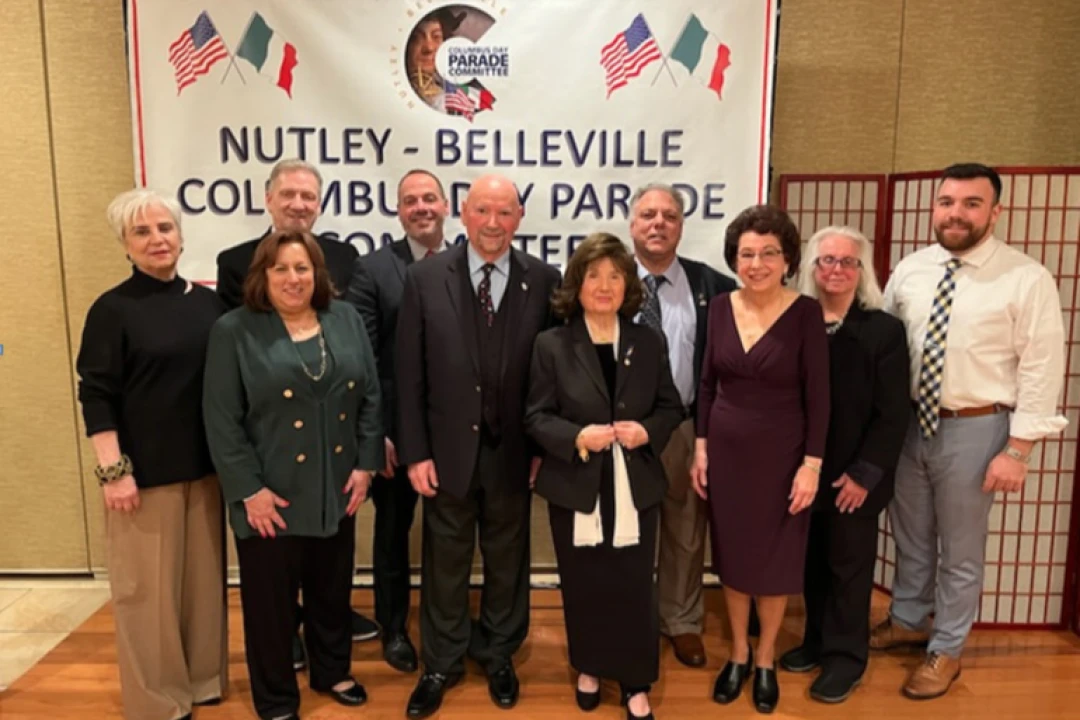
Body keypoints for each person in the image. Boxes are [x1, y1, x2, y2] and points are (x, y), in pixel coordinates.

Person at [875, 163, 1067, 699]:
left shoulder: (1025, 277)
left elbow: (1041, 365)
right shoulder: (911, 270)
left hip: (976, 428)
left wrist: (1018, 450)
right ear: (934, 207)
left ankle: (947, 647)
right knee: (910, 535)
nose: (955, 214)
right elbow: (884, 346)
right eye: (947, 202)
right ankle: (908, 619)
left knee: (960, 548)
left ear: (995, 212)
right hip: (909, 424)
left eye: (971, 203)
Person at [396, 174, 561, 719]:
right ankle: (440, 663)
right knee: (444, 561)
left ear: (519, 218)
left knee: (507, 560)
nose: (494, 223)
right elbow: (409, 373)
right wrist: (416, 452)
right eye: (483, 210)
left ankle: (498, 653)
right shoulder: (424, 278)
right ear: (463, 212)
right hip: (445, 452)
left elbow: (552, 375)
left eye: (505, 212)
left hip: (514, 451)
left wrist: (543, 447)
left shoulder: (544, 280)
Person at [203, 231, 384, 720]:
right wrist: (249, 491)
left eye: (302, 268)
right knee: (270, 606)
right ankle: (277, 696)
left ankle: (333, 671)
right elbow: (221, 421)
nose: (293, 278)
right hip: (270, 495)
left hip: (337, 485)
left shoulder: (344, 318)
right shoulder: (233, 331)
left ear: (317, 274)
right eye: (280, 268)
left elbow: (370, 396)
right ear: (261, 276)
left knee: (332, 589)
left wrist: (366, 466)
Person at [76, 188, 228, 720]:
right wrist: (113, 470)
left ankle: (203, 681)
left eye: (164, 228)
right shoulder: (112, 309)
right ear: (125, 244)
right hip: (142, 478)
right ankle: (158, 701)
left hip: (205, 472)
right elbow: (96, 393)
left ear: (181, 236)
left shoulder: (208, 304)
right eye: (141, 232)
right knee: (147, 596)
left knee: (203, 589)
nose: (156, 239)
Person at [526, 232, 684, 720]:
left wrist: (646, 431)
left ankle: (636, 681)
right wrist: (577, 436)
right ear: (576, 283)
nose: (604, 286)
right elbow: (536, 416)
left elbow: (670, 407)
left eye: (615, 276)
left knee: (633, 585)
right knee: (584, 583)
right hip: (576, 483)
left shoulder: (647, 341)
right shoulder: (552, 344)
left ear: (627, 286)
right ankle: (589, 666)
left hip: (635, 484)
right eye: (593, 275)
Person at [691, 205, 829, 713]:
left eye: (769, 253)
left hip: (784, 456)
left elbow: (820, 398)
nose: (757, 264)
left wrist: (811, 465)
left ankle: (766, 657)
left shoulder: (806, 313)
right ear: (734, 260)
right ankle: (738, 652)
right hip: (726, 454)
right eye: (747, 254)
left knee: (774, 563)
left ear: (788, 259)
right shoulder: (719, 307)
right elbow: (707, 384)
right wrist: (701, 448)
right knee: (733, 558)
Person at [777, 227, 910, 702]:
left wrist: (864, 474)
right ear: (811, 268)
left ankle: (846, 659)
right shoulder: (796, 321)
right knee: (812, 563)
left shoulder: (883, 331)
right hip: (804, 471)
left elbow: (893, 413)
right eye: (826, 260)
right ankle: (816, 641)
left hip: (855, 474)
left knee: (848, 570)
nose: (836, 270)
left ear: (862, 270)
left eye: (847, 262)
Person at [344, 169, 452, 673]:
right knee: (392, 534)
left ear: (446, 205)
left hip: (453, 431)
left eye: (429, 198)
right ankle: (393, 629)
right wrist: (378, 433)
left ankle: (445, 627)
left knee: (450, 534)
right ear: (398, 211)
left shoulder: (466, 264)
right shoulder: (372, 270)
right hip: (393, 433)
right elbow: (363, 359)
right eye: (411, 201)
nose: (421, 207)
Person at [627, 183, 737, 668]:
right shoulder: (606, 280)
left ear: (682, 226)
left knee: (687, 530)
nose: (659, 224)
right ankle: (628, 618)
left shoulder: (713, 286)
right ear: (632, 223)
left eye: (669, 216)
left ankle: (682, 621)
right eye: (648, 214)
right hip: (623, 431)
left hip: (688, 428)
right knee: (625, 530)